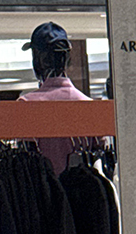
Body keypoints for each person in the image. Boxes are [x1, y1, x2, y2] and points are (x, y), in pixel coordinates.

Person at [18, 21, 95, 174]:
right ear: (68, 59)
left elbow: (25, 160)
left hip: (43, 187)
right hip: (86, 187)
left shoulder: (26, 105)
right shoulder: (89, 105)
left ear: (39, 60)